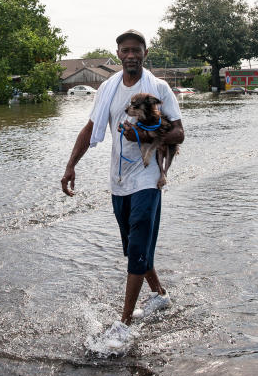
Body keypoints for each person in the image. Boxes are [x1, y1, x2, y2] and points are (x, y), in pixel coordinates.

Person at [61, 29, 185, 346]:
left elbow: (179, 134)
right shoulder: (108, 88)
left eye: (136, 50)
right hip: (118, 181)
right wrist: (71, 165)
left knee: (138, 244)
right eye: (125, 50)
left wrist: (143, 137)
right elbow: (91, 129)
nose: (130, 55)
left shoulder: (158, 88)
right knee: (133, 247)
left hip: (147, 177)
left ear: (145, 53)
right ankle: (159, 294)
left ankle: (124, 323)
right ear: (118, 54)